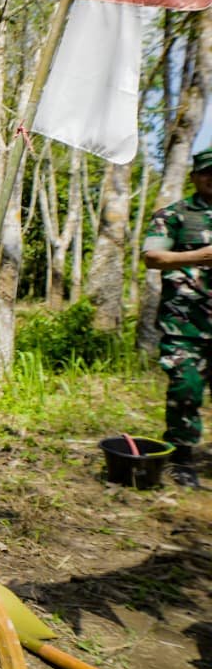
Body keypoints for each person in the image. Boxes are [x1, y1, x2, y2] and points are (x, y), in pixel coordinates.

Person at [142, 148, 212, 489]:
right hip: (186, 324)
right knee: (186, 389)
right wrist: (198, 256)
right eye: (207, 172)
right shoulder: (173, 215)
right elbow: (152, 257)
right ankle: (181, 459)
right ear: (194, 176)